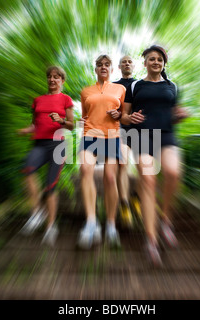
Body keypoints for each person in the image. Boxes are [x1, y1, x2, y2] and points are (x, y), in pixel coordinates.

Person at [120, 45, 189, 266]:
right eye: (151, 59)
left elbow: (174, 113)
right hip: (142, 137)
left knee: (173, 173)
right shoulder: (136, 86)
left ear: (164, 63)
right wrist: (130, 119)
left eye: (159, 59)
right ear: (145, 62)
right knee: (148, 180)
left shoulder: (172, 86)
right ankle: (151, 240)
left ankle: (165, 219)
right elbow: (123, 116)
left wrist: (180, 115)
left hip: (167, 135)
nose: (156, 62)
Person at [18, 66, 74, 247]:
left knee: (50, 186)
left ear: (62, 81)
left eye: (56, 77)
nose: (52, 79)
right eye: (50, 77)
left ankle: (51, 226)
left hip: (58, 145)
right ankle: (37, 213)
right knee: (27, 169)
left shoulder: (66, 99)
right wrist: (27, 129)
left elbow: (71, 125)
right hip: (39, 145)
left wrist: (61, 121)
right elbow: (35, 124)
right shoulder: (38, 101)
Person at [78, 54, 126, 249]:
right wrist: (80, 123)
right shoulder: (85, 91)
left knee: (110, 178)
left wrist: (120, 114)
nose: (103, 67)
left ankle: (111, 224)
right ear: (95, 69)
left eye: (107, 64)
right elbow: (84, 115)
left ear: (112, 69)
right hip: (90, 135)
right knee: (85, 170)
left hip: (112, 136)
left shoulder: (120, 89)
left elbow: (125, 114)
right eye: (99, 65)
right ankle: (91, 222)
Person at [113, 55, 138, 228]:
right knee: (122, 164)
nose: (127, 63)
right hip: (121, 129)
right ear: (119, 66)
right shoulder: (113, 86)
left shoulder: (141, 84)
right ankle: (124, 204)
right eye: (124, 62)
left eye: (129, 61)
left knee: (147, 167)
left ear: (134, 65)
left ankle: (137, 197)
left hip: (142, 130)